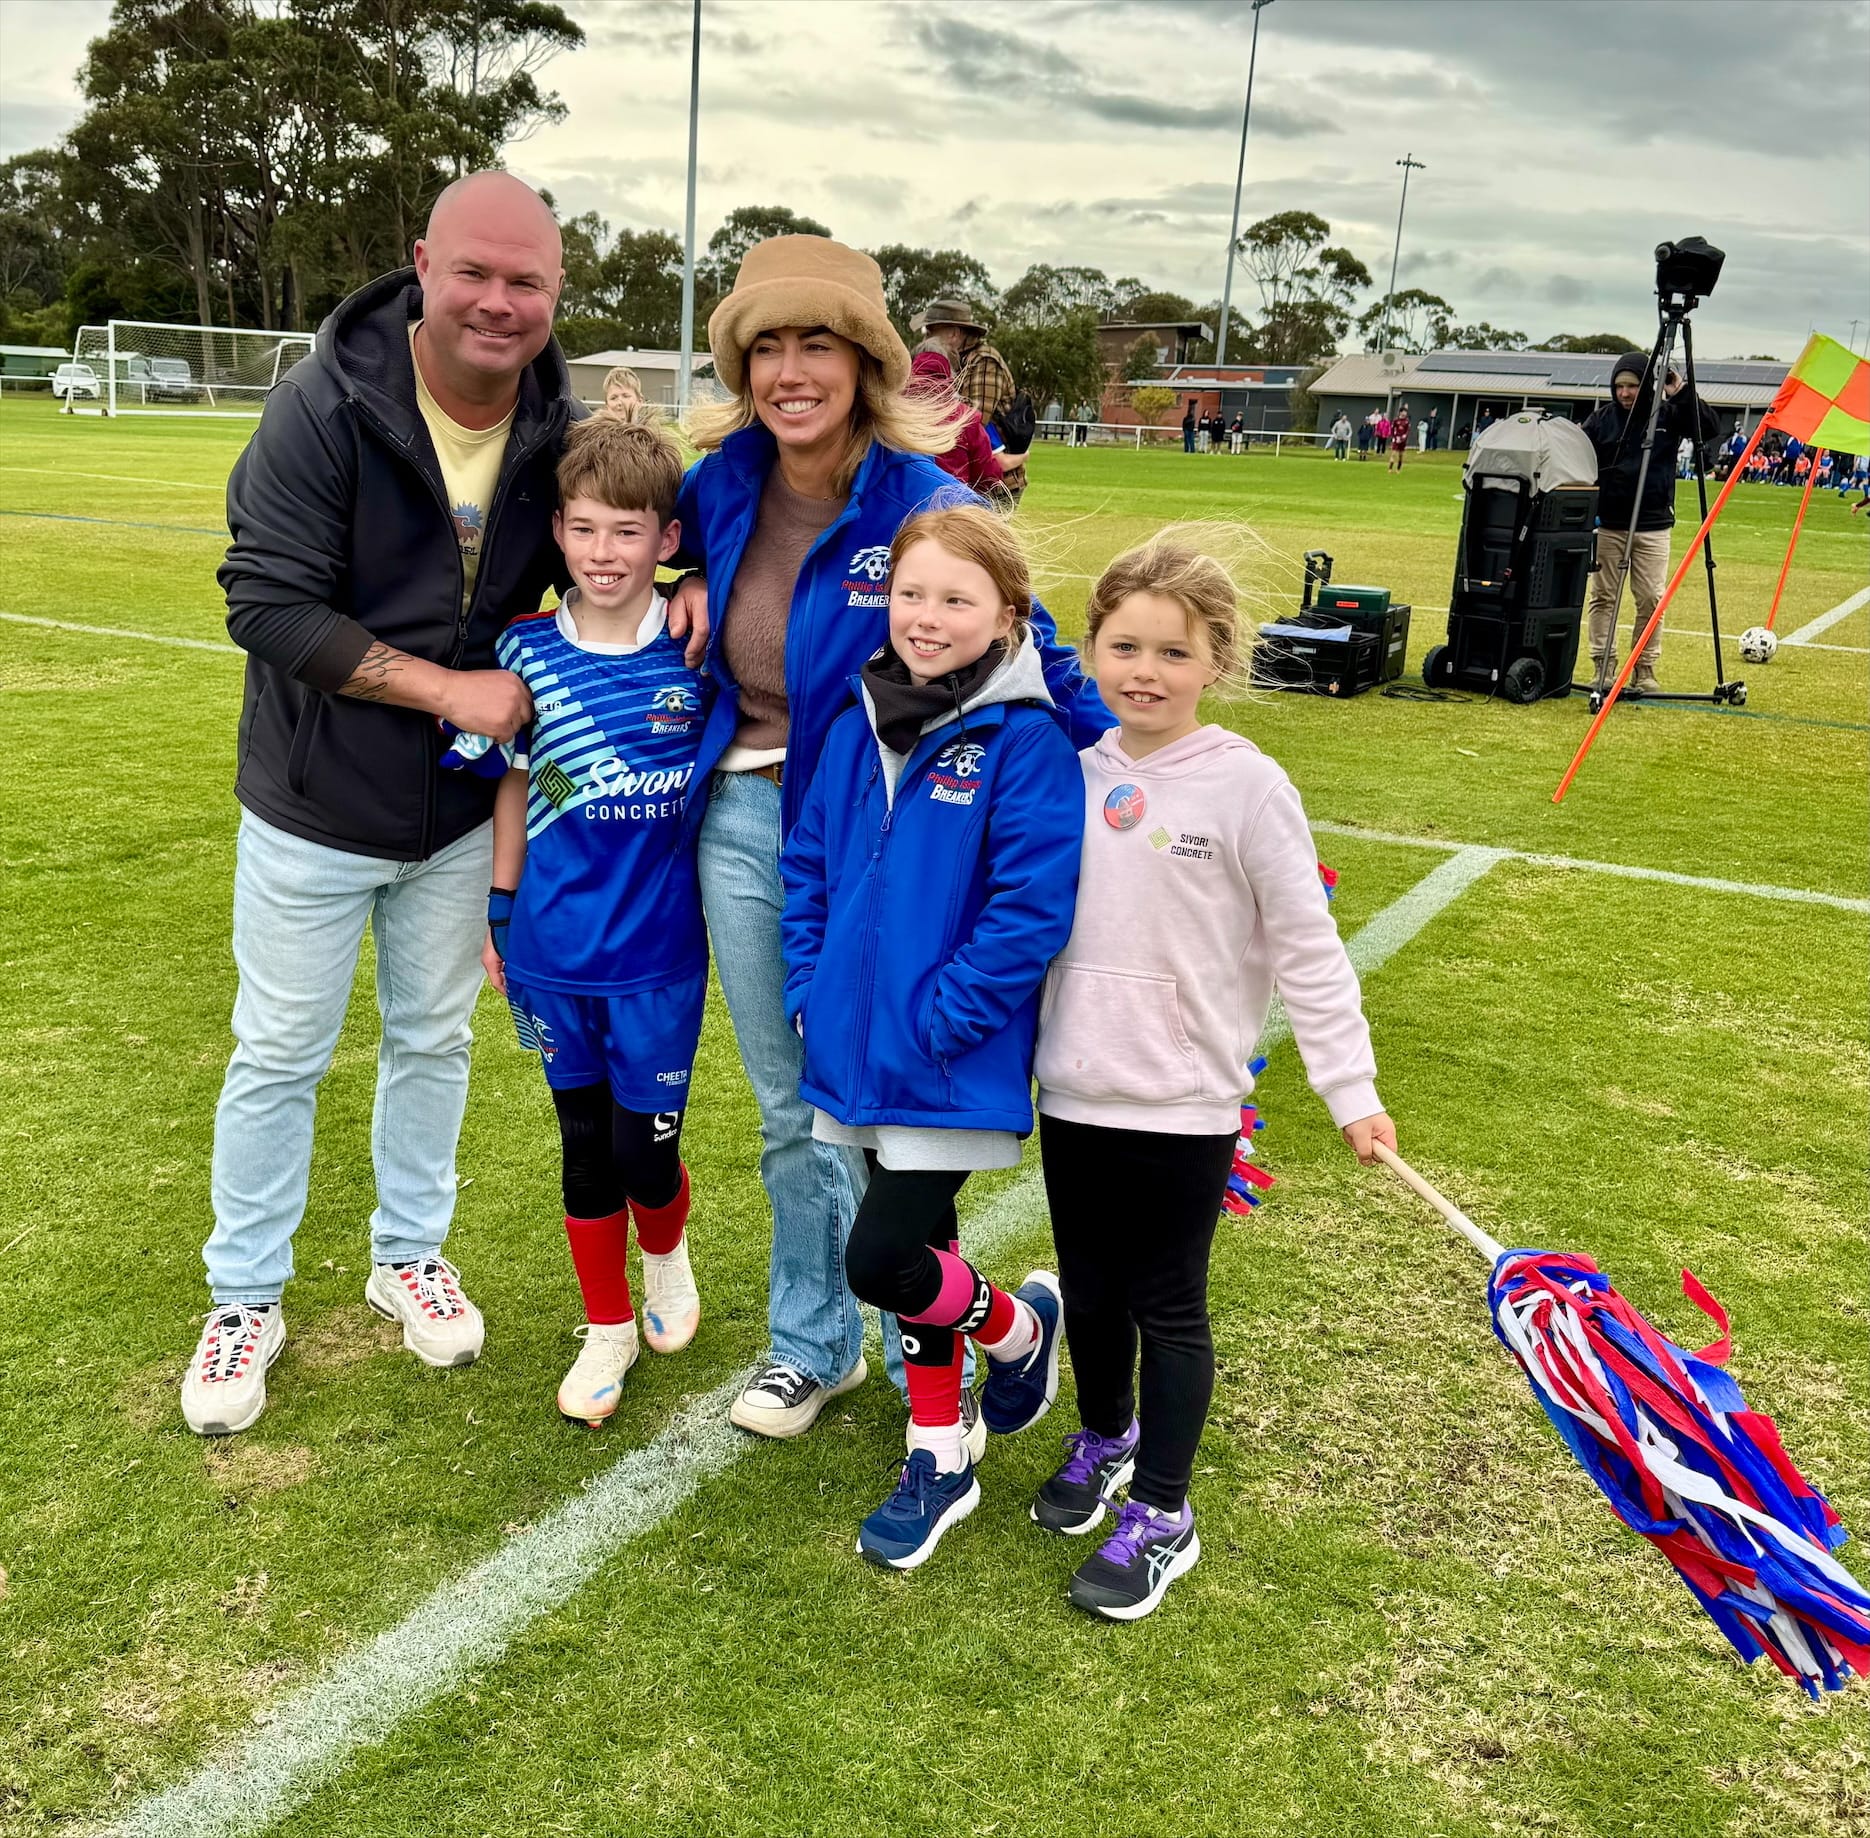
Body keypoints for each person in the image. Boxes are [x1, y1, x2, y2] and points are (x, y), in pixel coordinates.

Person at [663, 236, 1110, 1442]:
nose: (789, 371)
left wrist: (1136, 771)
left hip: (899, 833)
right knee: (792, 1100)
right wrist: (680, 578)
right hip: (751, 820)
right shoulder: (718, 483)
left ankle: (951, 1328)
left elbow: (1034, 648)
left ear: (865, 361)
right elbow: (634, 545)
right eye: (766, 346)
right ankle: (812, 1345)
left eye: (817, 343)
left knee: (896, 1107)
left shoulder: (929, 505)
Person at [186, 171, 577, 1438]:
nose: (497, 302)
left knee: (434, 1041)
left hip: (460, 825)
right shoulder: (321, 404)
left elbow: (622, 538)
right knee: (280, 1053)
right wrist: (444, 691)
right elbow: (266, 602)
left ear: (555, 292)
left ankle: (406, 1249)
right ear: (423, 263)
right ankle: (245, 1292)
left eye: (526, 280)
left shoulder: (560, 418)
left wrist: (674, 586)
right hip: (310, 804)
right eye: (475, 271)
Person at [1031, 531, 1394, 1620]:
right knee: (1088, 1290)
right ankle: (1105, 1430)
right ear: (1090, 647)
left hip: (1186, 1101)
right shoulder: (1068, 771)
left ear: (1216, 663)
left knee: (1166, 1302)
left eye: (1172, 652)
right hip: (1072, 1088)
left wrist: (1351, 1087)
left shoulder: (1248, 784)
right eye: (1123, 644)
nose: (1143, 669)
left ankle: (1165, 1510)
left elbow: (1307, 946)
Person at [780, 503, 1084, 1567]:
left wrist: (942, 1018)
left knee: (882, 1256)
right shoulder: (855, 719)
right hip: (853, 1051)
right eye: (911, 591)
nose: (927, 615)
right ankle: (940, 1449)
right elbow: (808, 865)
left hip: (943, 1058)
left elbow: (1028, 908)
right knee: (920, 1247)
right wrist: (809, 985)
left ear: (1008, 615)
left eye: (957, 598)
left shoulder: (1026, 737)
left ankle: (1014, 1328)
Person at [466, 415, 710, 1427]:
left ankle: (666, 1255)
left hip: (660, 957)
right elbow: (515, 791)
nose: (602, 553)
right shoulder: (522, 652)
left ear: (666, 540)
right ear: (557, 533)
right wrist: (500, 913)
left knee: (646, 1149)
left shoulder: (696, 648)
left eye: (626, 531)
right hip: (556, 951)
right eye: (583, 529)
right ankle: (605, 1324)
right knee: (580, 1141)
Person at [1580, 350, 1717, 692]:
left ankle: (1644, 667)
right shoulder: (1600, 420)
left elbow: (1710, 428)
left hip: (1654, 525)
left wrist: (1680, 390)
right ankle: (1604, 665)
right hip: (1609, 525)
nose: (1624, 393)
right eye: (1619, 386)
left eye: (1632, 385)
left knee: (1652, 599)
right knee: (1604, 597)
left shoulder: (1669, 414)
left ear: (1646, 385)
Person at [917, 297, 1032, 505]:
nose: (927, 338)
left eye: (932, 332)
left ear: (953, 334)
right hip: (970, 479)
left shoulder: (985, 361)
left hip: (997, 484)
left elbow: (977, 417)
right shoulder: (952, 359)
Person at [906, 346, 1003, 497]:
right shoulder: (965, 419)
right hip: (953, 504)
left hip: (902, 503)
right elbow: (988, 475)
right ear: (948, 378)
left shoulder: (894, 413)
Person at [1387, 407, 1411, 471]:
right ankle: (1390, 469)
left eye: (1406, 412)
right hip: (1396, 439)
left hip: (1403, 440)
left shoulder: (1407, 421)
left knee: (1401, 455)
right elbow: (1392, 429)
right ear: (1400, 412)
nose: (1405, 413)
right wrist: (1393, 437)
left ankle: (1398, 469)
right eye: (1404, 412)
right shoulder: (1396, 420)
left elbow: (1407, 430)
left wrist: (1404, 436)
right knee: (1393, 454)